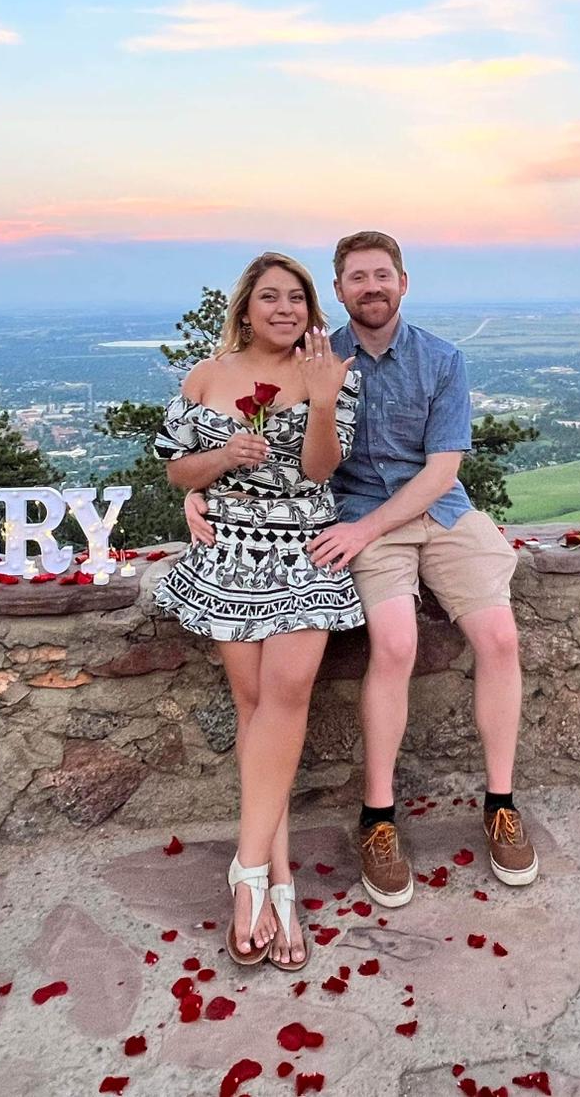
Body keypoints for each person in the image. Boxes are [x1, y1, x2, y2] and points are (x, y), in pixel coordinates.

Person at [185, 230, 538, 913]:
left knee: (500, 639)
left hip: (432, 513)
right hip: (354, 515)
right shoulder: (315, 359)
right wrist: (199, 490)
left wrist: (371, 527)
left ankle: (501, 803)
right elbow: (253, 440)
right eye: (356, 278)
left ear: (404, 283)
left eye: (383, 275)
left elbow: (442, 471)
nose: (371, 287)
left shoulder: (442, 358)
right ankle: (378, 817)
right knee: (397, 643)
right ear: (339, 291)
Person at [154, 251, 362, 972]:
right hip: (231, 552)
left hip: (303, 551)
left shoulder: (329, 368)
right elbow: (178, 468)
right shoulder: (207, 377)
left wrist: (325, 399)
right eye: (270, 297)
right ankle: (279, 884)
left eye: (296, 299)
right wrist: (223, 460)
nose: (284, 309)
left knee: (286, 695)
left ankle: (246, 871)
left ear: (310, 309)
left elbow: (320, 470)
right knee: (251, 706)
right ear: (245, 307)